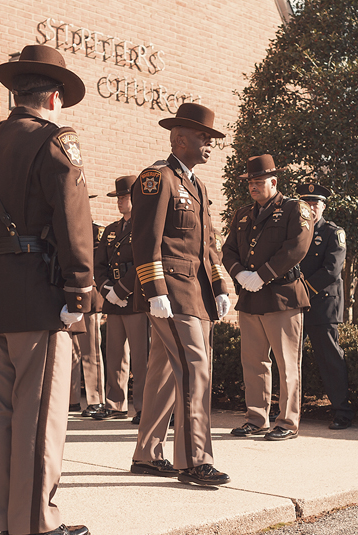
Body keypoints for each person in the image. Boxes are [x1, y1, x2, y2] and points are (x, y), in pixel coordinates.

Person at [0, 44, 94, 535]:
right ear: (54, 97)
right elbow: (73, 217)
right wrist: (80, 288)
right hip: (38, 291)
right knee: (38, 414)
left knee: (2, 415)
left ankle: (5, 521)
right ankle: (35, 521)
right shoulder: (56, 140)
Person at [130, 102, 232, 485]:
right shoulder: (158, 179)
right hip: (172, 293)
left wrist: (220, 284)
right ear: (180, 138)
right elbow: (145, 240)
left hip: (197, 293)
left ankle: (147, 453)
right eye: (204, 137)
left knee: (162, 373)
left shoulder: (198, 185)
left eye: (210, 138)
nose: (209, 144)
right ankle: (193, 461)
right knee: (195, 369)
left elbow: (208, 245)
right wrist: (155, 290)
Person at [222, 155, 312, 441]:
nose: (254, 187)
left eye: (259, 182)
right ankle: (256, 418)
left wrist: (262, 275)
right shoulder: (242, 214)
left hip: (282, 297)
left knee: (287, 364)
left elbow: (296, 247)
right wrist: (239, 274)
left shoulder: (294, 209)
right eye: (250, 183)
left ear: (274, 182)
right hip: (251, 297)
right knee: (254, 362)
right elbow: (228, 250)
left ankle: (287, 421)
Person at [90, 175, 149, 423]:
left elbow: (142, 263)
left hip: (135, 300)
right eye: (118, 198)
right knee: (114, 355)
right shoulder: (112, 230)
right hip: (114, 301)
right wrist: (107, 291)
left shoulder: (144, 226)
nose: (120, 202)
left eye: (124, 197)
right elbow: (99, 264)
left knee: (141, 357)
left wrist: (122, 290)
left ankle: (145, 406)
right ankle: (115, 404)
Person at [298, 182, 354, 430]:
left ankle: (342, 411)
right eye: (306, 203)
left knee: (330, 359)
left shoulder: (333, 232)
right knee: (290, 360)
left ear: (323, 206)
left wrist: (301, 289)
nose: (311, 208)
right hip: (295, 305)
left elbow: (331, 270)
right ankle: (289, 412)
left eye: (315, 203)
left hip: (322, 305)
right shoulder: (294, 232)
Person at [70, 217, 106, 418]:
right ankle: (71, 399)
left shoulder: (96, 231)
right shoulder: (67, 226)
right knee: (71, 352)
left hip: (89, 297)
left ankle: (95, 399)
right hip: (69, 296)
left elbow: (98, 264)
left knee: (90, 350)